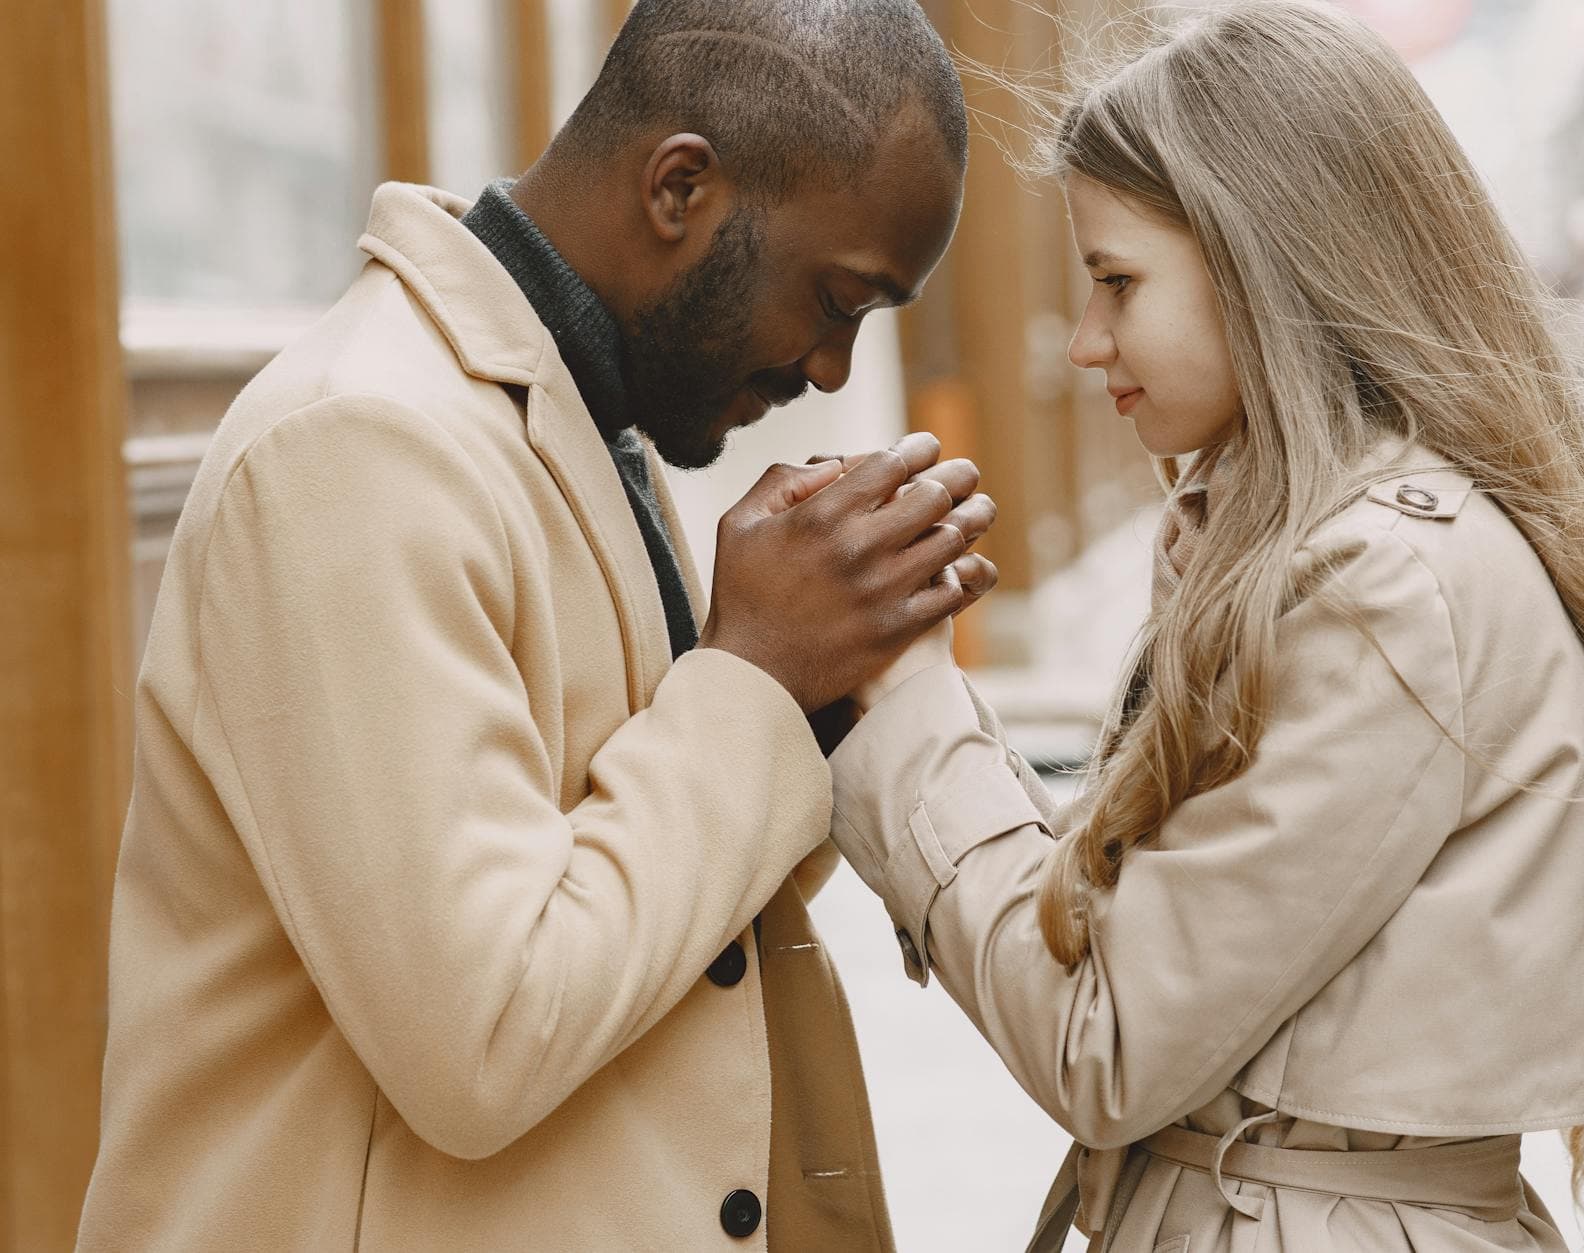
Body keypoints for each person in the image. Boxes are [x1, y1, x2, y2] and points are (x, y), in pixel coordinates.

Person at [824, 5, 1584, 1251]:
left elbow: (1109, 1041)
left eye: (1116, 282)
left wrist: (906, 698)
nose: (1085, 343)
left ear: (1263, 262)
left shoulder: (1385, 588)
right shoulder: (1321, 550)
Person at [78, 2, 995, 1249]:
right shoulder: (360, 443)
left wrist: (816, 689)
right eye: (836, 299)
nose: (832, 368)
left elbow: (635, 882)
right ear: (680, 186)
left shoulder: (576, 408)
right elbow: (485, 1032)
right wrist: (750, 678)